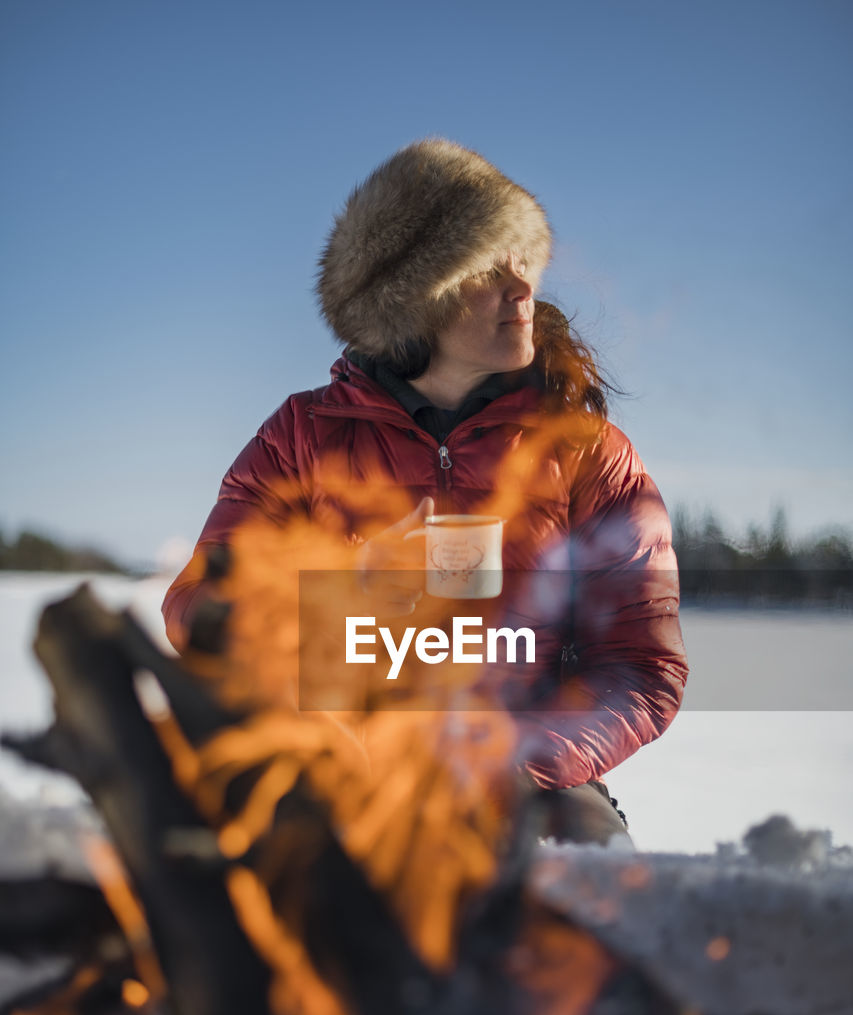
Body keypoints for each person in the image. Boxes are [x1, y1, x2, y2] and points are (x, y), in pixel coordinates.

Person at [163, 139, 688, 846]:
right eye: (487, 269)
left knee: (596, 895)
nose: (522, 289)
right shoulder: (301, 435)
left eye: (524, 264)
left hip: (528, 784)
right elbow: (197, 610)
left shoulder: (588, 453)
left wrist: (522, 760)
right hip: (334, 771)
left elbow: (640, 664)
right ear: (406, 298)